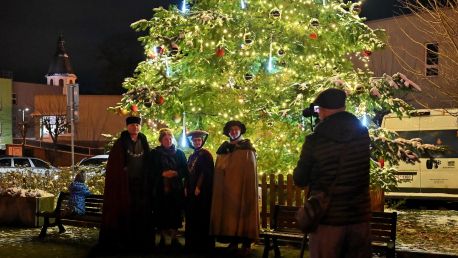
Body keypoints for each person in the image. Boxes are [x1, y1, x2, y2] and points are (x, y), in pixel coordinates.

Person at [293, 88, 371, 258]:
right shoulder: (362, 135)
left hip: (328, 220)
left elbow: (300, 179)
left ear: (323, 109)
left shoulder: (316, 139)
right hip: (358, 217)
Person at [98, 116, 153, 253]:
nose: (135, 127)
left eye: (137, 125)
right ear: (127, 127)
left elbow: (148, 161)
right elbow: (115, 165)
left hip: (140, 185)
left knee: (139, 213)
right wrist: (123, 172)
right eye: (132, 125)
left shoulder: (144, 141)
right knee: (125, 212)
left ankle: (138, 241)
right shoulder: (121, 143)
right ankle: (124, 241)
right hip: (125, 186)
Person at [210, 120, 259, 256]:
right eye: (231, 130)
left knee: (244, 213)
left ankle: (246, 243)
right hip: (228, 190)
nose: (234, 131)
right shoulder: (223, 149)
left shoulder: (246, 148)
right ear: (228, 132)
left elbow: (249, 170)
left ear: (240, 131)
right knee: (230, 215)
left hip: (243, 189)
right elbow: (219, 169)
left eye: (236, 129)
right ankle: (233, 242)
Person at [151, 128, 188, 249]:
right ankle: (162, 238)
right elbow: (150, 169)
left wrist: (176, 173)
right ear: (161, 140)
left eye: (170, 138)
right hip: (161, 188)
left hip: (176, 189)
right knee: (161, 213)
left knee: (175, 213)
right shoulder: (155, 153)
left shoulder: (179, 153)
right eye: (166, 139)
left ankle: (173, 238)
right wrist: (162, 173)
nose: (168, 140)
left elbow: (185, 170)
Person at [184, 130, 215, 252]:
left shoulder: (206, 154)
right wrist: (186, 187)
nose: (197, 142)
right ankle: (192, 243)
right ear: (192, 142)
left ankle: (202, 244)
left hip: (201, 191)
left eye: (199, 140)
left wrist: (199, 186)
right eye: (195, 140)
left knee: (201, 215)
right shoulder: (192, 156)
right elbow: (188, 172)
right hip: (191, 190)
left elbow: (206, 172)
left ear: (202, 141)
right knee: (192, 216)